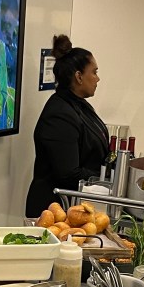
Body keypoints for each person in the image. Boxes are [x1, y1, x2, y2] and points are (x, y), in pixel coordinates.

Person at [25, 35, 110, 216]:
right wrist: (105, 179)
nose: (98, 79)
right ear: (79, 76)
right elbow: (68, 173)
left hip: (72, 206)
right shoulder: (59, 114)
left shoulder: (79, 105)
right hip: (54, 210)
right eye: (94, 72)